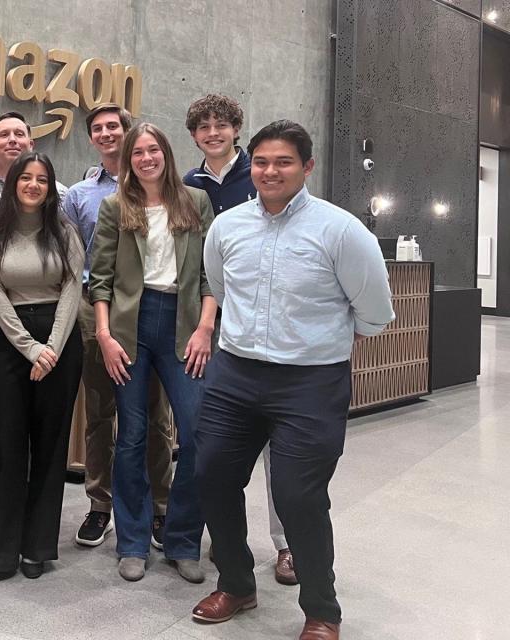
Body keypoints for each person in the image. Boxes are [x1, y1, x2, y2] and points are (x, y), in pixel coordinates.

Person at [192, 120, 394, 640]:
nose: (270, 171)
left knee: (298, 495)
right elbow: (218, 282)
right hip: (234, 374)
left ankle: (322, 611)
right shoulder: (228, 226)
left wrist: (320, 342)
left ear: (306, 167)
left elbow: (374, 312)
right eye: (261, 162)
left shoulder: (341, 230)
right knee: (211, 475)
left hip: (309, 383)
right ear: (249, 165)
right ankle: (236, 584)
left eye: (283, 162)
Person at [89, 122, 215, 583]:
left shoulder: (194, 201)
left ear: (166, 154)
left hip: (184, 326)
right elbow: (99, 278)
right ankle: (133, 542)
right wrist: (105, 335)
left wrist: (205, 327)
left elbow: (209, 276)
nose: (146, 158)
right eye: (137, 152)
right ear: (128, 160)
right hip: (130, 328)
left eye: (153, 150)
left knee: (199, 433)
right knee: (133, 435)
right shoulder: (115, 206)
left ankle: (182, 540)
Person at [183, 93, 294, 585]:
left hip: (270, 324)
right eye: (203, 127)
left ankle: (286, 545)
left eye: (221, 125)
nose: (213, 133)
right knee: (220, 442)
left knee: (278, 446)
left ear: (235, 129)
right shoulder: (188, 185)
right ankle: (224, 539)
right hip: (214, 328)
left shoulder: (262, 174)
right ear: (194, 136)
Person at [63, 104, 174, 549]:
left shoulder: (161, 189)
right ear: (91, 138)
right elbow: (73, 260)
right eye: (98, 128)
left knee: (155, 412)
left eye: (114, 126)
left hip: (151, 309)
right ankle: (100, 504)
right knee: (100, 410)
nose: (107, 133)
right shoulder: (79, 195)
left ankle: (160, 507)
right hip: (97, 308)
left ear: (130, 133)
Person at [0, 151, 84, 585]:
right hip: (12, 341)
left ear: (50, 186)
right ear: (14, 183)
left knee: (50, 447)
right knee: (6, 448)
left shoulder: (64, 232)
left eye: (42, 179)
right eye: (26, 178)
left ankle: (38, 547)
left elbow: (74, 288)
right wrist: (30, 349)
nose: (34, 185)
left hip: (59, 341)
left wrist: (52, 349)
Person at [0, 111, 67, 525]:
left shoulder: (58, 193)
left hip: (40, 317)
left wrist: (48, 343)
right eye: (3, 134)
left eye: (20, 133)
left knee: (27, 410)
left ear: (31, 142)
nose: (13, 140)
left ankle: (28, 501)